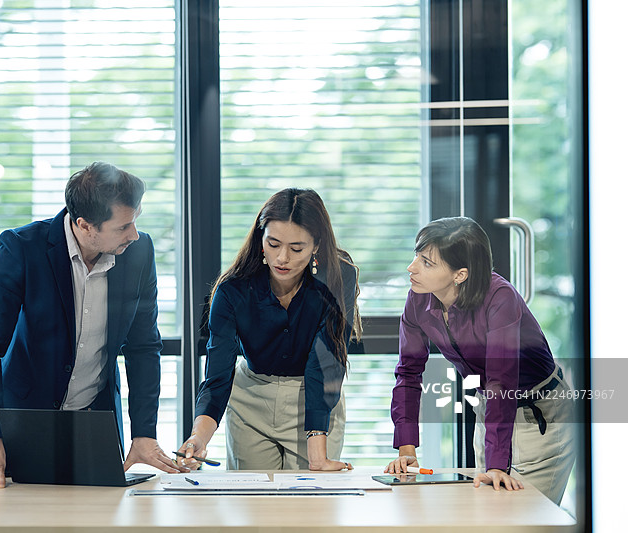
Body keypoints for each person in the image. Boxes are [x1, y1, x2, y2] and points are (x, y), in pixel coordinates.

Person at [0, 161, 185, 489]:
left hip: (95, 420)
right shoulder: (21, 248)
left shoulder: (139, 253)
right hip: (26, 417)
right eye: (123, 226)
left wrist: (143, 433)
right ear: (84, 225)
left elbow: (143, 347)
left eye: (136, 220)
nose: (134, 234)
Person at [385, 216, 575, 504]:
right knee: (489, 513)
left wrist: (496, 465)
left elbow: (502, 380)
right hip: (490, 412)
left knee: (528, 519)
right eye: (416, 256)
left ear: (460, 274)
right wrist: (407, 450)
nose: (412, 268)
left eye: (426, 262)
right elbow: (408, 375)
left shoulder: (500, 298)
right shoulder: (418, 300)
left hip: (540, 417)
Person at [176, 188, 362, 471]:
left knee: (309, 506)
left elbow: (325, 361)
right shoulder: (232, 289)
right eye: (273, 244)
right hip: (251, 401)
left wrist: (317, 456)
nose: (282, 258)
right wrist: (198, 437)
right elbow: (218, 374)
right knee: (254, 508)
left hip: (314, 404)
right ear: (260, 238)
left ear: (317, 245)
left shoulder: (339, 275)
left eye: (296, 248)